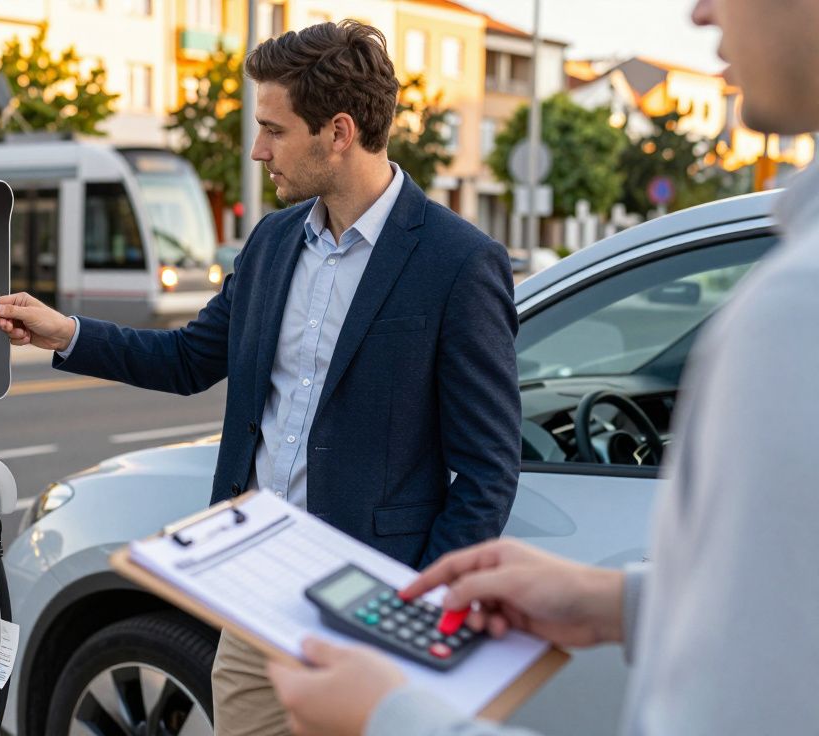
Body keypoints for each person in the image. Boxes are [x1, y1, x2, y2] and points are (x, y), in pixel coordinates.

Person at [266, 0, 819, 734]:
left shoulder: (794, 313)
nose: (699, 10)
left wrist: (391, 717)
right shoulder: (277, 242)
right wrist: (618, 603)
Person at [0, 20, 521, 735]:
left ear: (338, 131)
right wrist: (68, 332)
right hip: (254, 595)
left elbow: (487, 468)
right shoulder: (273, 242)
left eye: (274, 129)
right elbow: (187, 361)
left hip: (369, 604)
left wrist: (413, 605)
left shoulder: (459, 263)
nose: (257, 149)